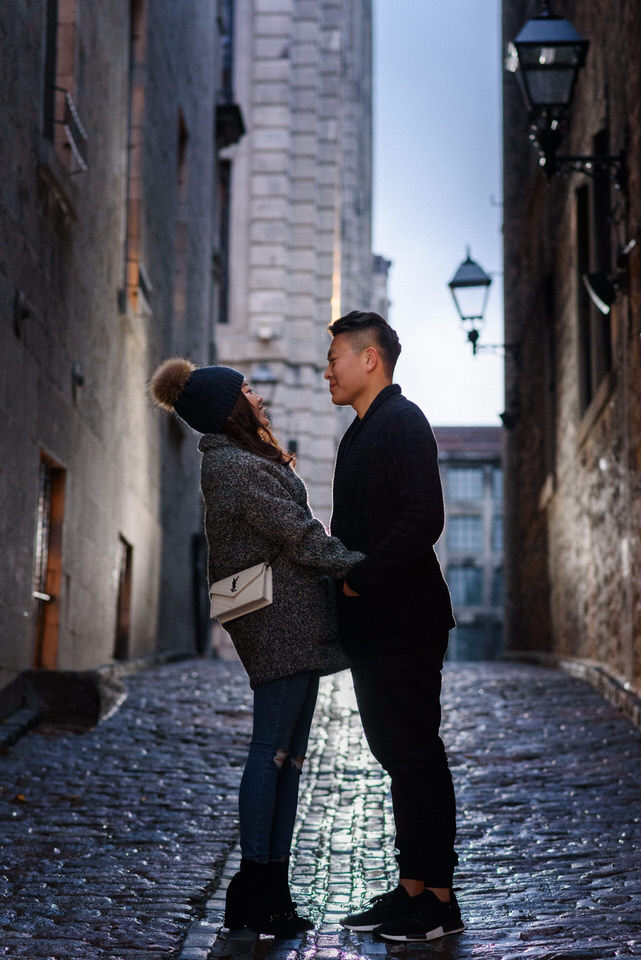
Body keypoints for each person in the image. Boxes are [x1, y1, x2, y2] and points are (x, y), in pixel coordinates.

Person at [149, 357, 364, 938]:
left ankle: (272, 890)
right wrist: (364, 567)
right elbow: (298, 536)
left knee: (287, 760)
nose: (258, 397)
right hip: (278, 622)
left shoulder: (243, 459)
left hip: (289, 618)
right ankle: (254, 890)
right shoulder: (236, 467)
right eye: (247, 390)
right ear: (228, 406)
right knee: (271, 754)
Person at [324, 311, 463, 944]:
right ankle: (411, 890)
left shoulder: (403, 423)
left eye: (335, 358)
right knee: (396, 757)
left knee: (415, 756)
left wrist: (361, 578)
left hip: (404, 620)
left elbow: (423, 518)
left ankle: (439, 900)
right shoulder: (359, 432)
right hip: (374, 625)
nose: (329, 369)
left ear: (370, 358)